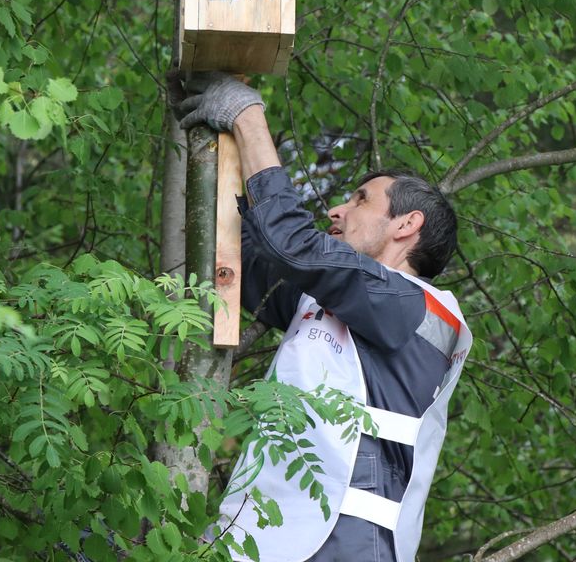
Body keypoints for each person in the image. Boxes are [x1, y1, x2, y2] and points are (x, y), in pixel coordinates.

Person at [175, 73, 472, 562]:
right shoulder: (327, 304)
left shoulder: (418, 308)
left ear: (407, 224)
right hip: (270, 535)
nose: (337, 210)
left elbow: (295, 248)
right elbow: (245, 261)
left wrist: (247, 118)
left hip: (347, 542)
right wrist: (211, 145)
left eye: (359, 199)